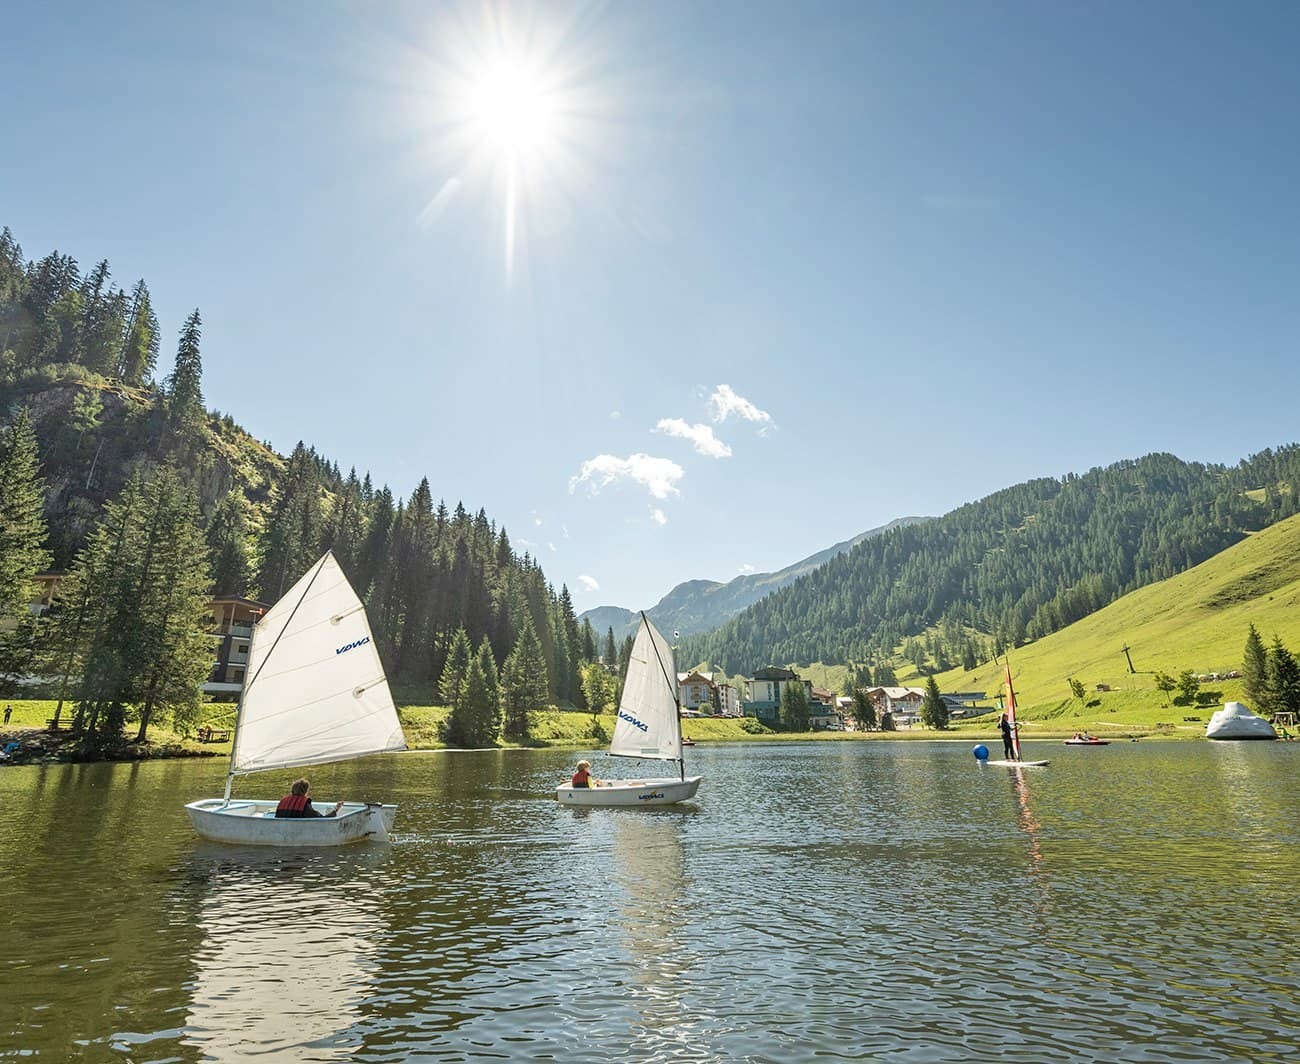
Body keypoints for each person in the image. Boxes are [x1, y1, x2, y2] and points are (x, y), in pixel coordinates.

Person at [275, 778, 344, 818]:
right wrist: (336, 809)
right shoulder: (304, 805)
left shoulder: (283, 801)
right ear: (306, 791)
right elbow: (323, 819)